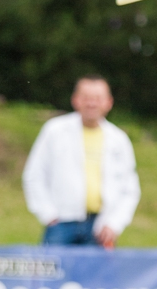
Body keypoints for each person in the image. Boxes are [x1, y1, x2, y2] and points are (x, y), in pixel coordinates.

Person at [22, 76, 140, 247]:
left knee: (97, 274)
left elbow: (130, 189)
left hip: (101, 228)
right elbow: (34, 175)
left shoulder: (119, 140)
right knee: (54, 272)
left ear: (109, 102)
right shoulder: (54, 131)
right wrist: (48, 214)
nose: (91, 104)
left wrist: (114, 223)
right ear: (75, 100)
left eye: (98, 99)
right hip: (60, 224)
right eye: (86, 98)